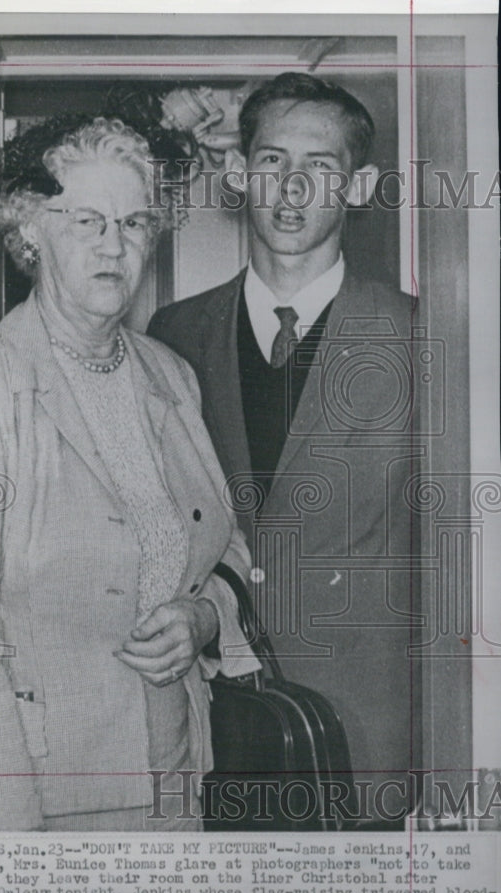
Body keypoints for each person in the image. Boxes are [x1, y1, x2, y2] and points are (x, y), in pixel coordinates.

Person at [0, 115, 251, 833]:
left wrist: (202, 617)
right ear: (29, 233)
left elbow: (226, 550)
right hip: (47, 788)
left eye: (133, 222)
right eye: (86, 220)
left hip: (177, 769)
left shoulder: (170, 375)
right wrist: (8, 838)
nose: (114, 245)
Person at [147, 73, 421, 826]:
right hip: (219, 727)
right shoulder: (173, 336)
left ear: (358, 186)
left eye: (320, 167)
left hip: (369, 739)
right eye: (270, 161)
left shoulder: (422, 338)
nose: (291, 189)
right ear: (239, 175)